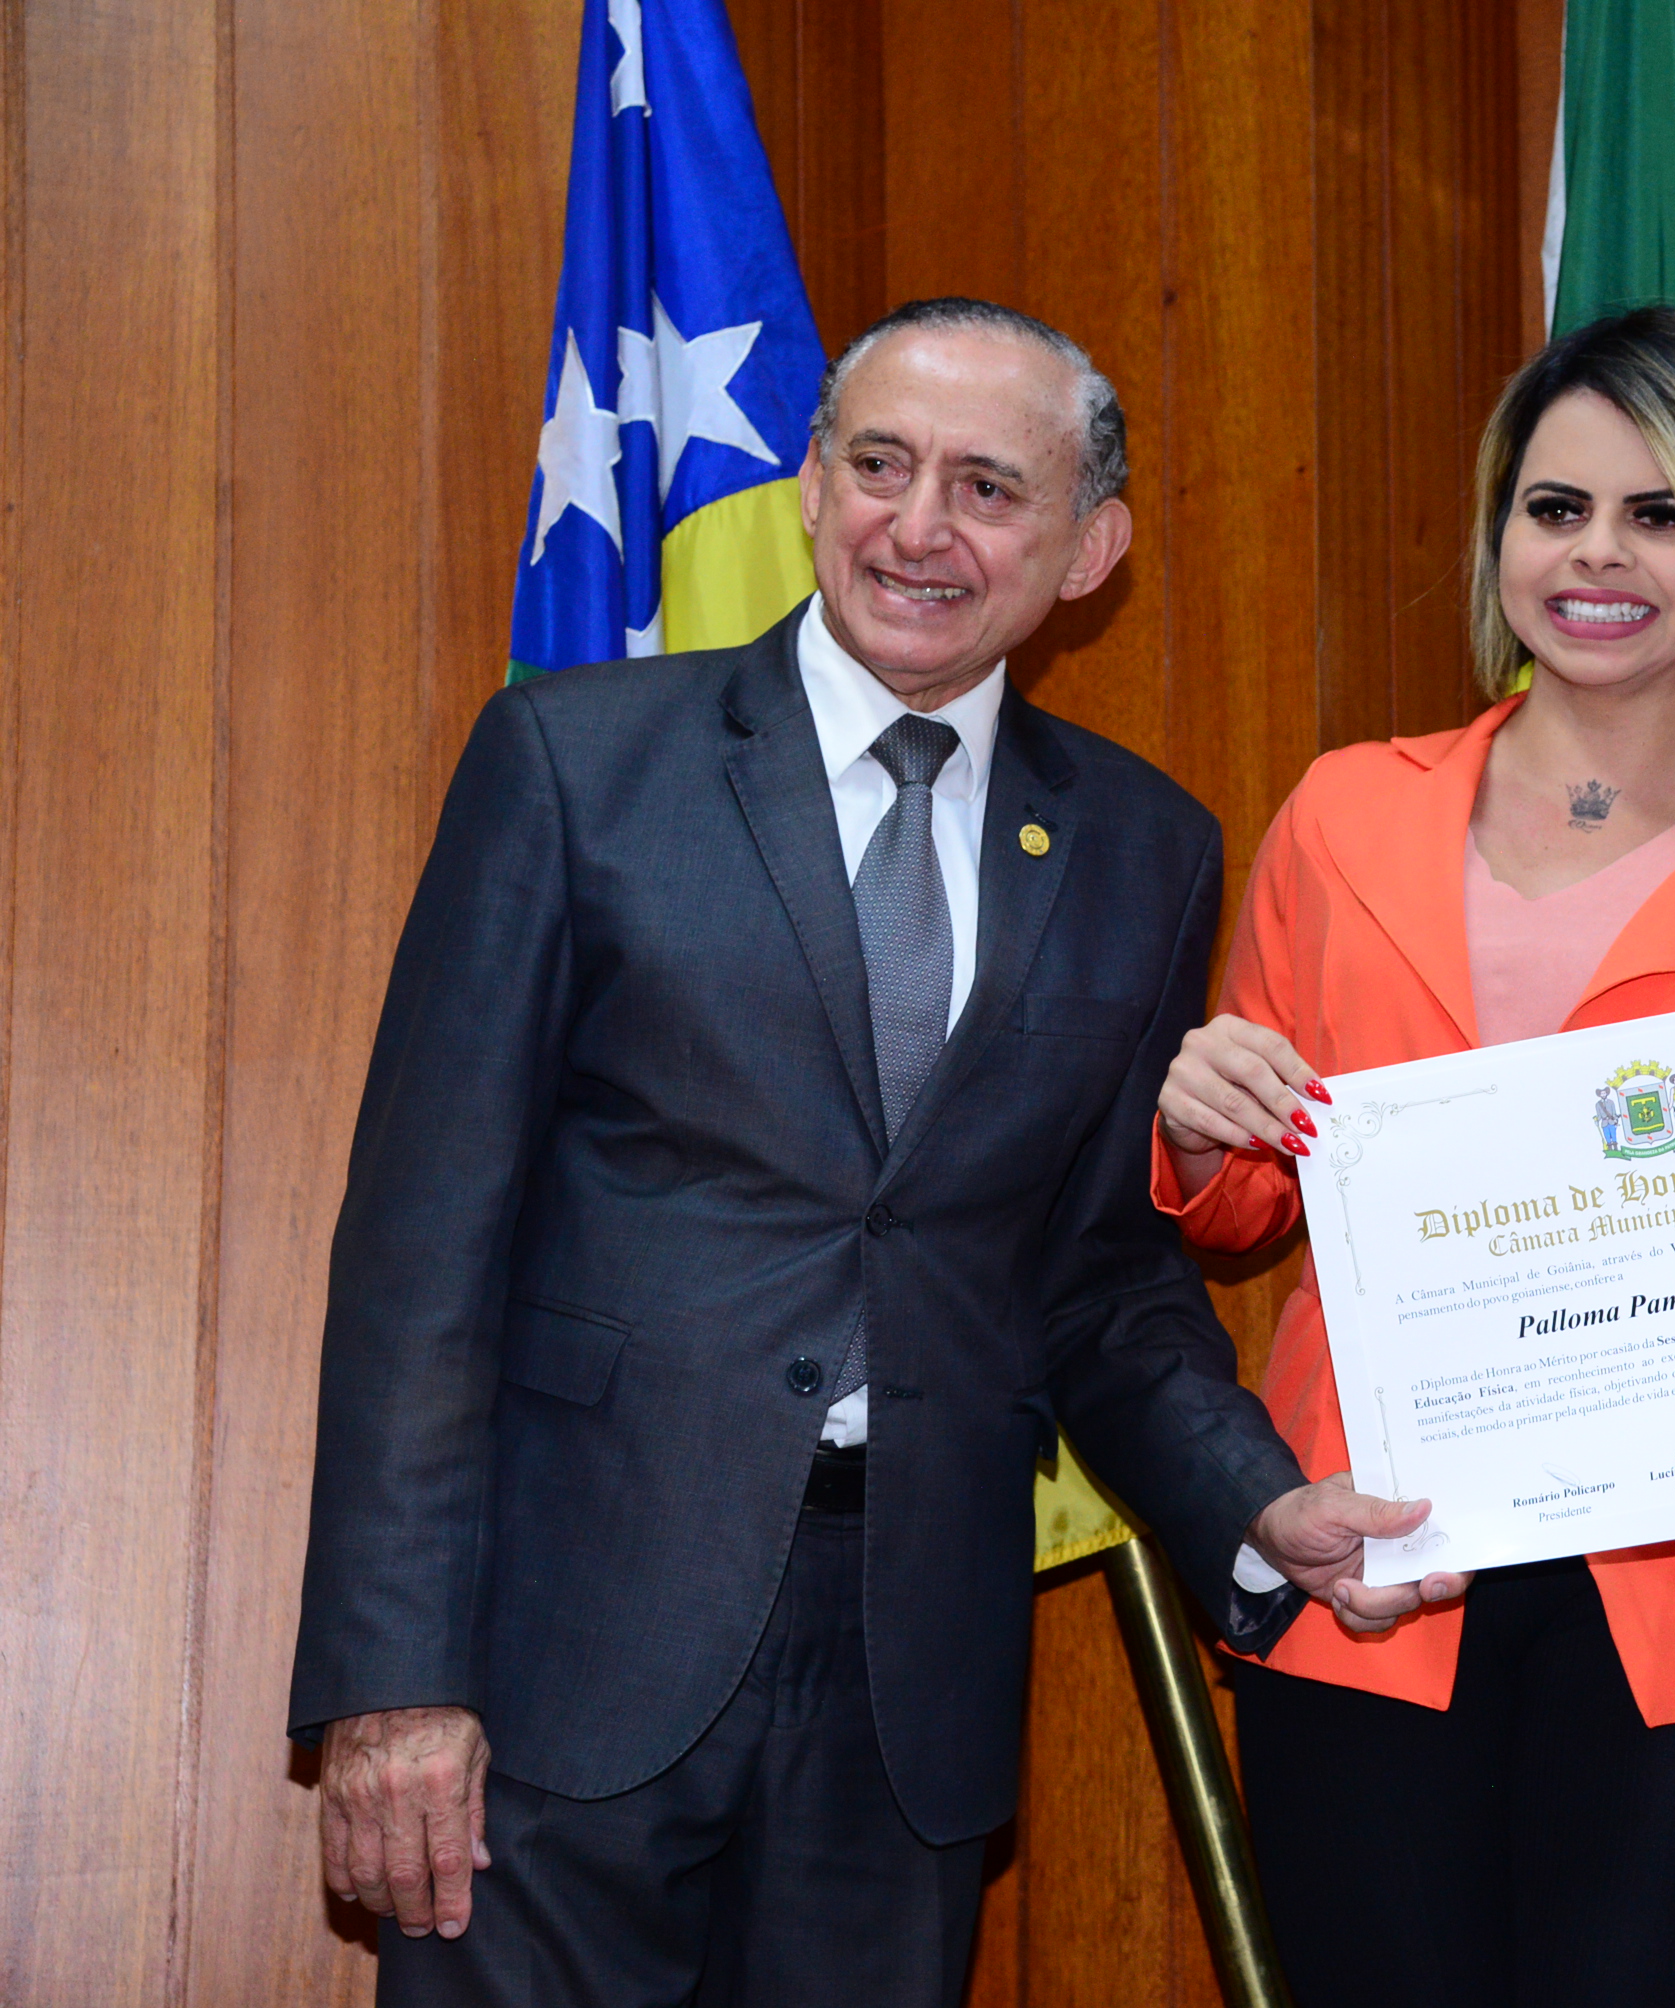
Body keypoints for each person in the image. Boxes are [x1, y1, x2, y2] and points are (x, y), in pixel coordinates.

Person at [288, 297, 1414, 2008]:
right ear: (812, 486)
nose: (918, 526)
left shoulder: (1142, 845)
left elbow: (1102, 1285)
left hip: (910, 1680)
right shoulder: (576, 763)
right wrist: (394, 1675)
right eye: (880, 466)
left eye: (987, 488)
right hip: (566, 1651)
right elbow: (420, 1251)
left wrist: (1257, 1508)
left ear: (1089, 550)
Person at [1149, 307, 1675, 2008]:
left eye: (1660, 514)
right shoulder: (1341, 816)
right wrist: (1193, 1125)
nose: (1598, 554)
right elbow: (1245, 1209)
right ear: (1502, 545)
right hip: (1372, 1573)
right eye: (1557, 509)